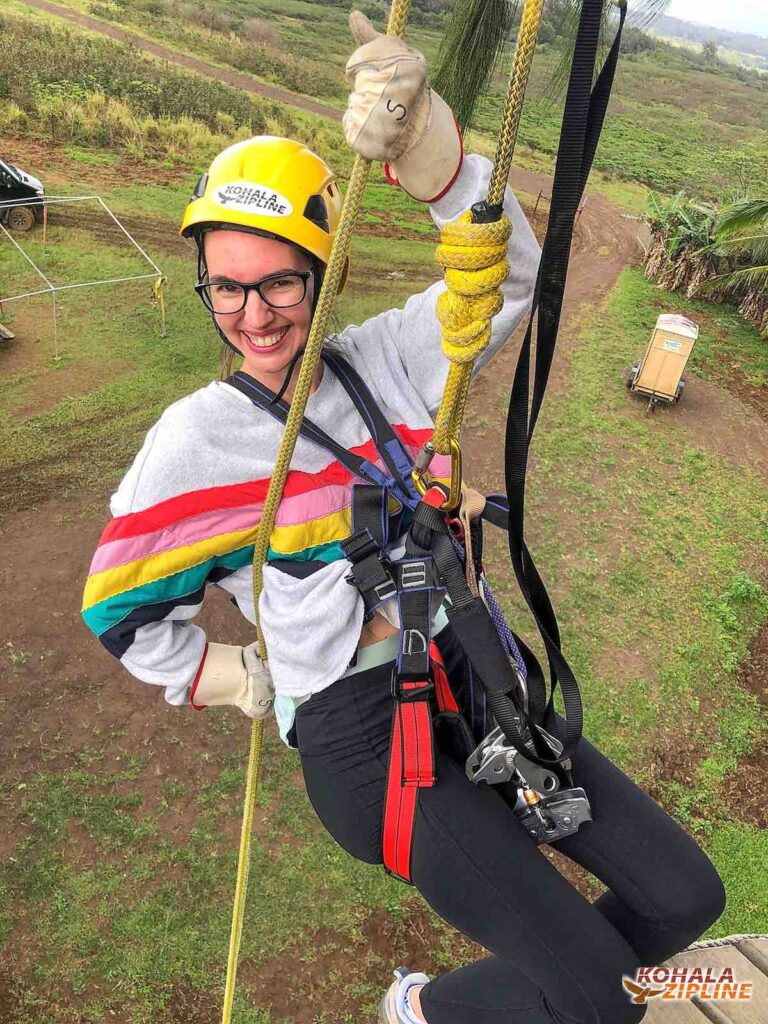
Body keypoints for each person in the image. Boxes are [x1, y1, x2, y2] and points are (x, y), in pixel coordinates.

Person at [81, 13, 725, 1024]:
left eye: (280, 281)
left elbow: (509, 276)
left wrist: (431, 150)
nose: (254, 315)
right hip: (366, 741)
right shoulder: (197, 439)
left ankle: (447, 1006)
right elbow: (116, 607)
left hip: (476, 675)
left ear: (322, 270)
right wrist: (232, 675)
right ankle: (439, 1013)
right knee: (603, 1002)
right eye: (227, 288)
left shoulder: (381, 362)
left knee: (686, 897)